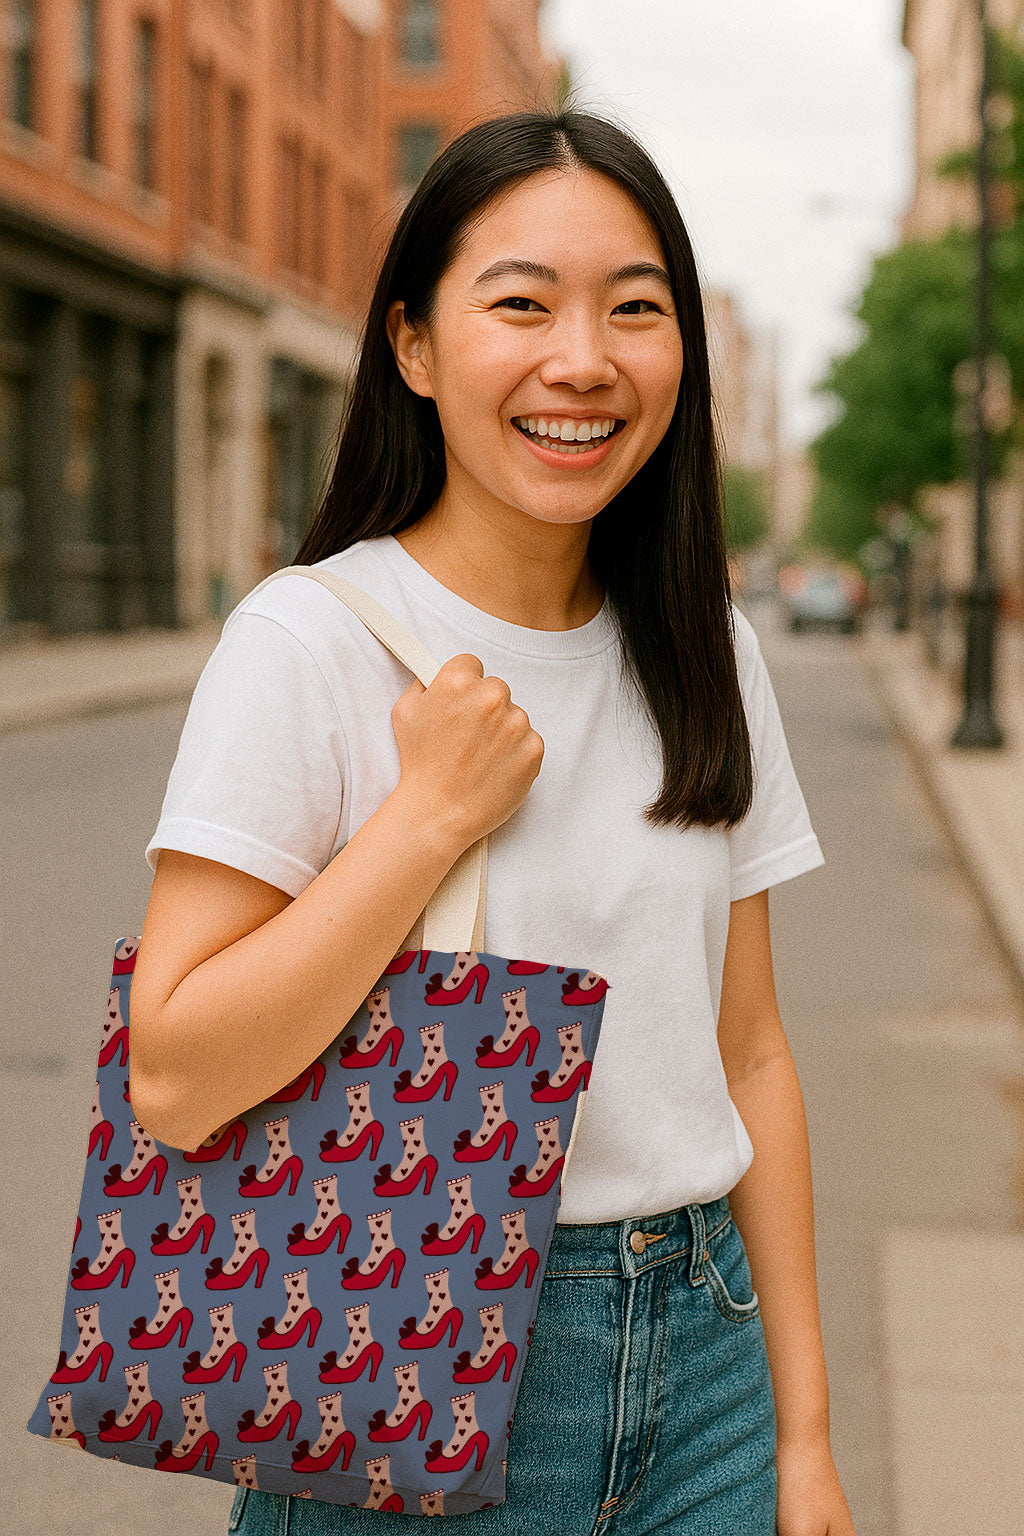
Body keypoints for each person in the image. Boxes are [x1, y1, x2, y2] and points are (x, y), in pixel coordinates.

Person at [129, 107, 855, 1536]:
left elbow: (750, 1047)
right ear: (413, 346)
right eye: (520, 303)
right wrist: (424, 821)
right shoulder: (311, 641)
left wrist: (806, 1433)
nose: (581, 360)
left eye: (634, 310)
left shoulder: (703, 641)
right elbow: (175, 1073)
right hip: (413, 1324)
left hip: (705, 1360)